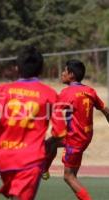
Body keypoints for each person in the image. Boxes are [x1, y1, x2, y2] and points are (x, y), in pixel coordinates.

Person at [0, 46, 66, 200]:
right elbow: (60, 133)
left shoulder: (2, 90)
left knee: (14, 196)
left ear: (17, 68)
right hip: (31, 158)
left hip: (5, 157)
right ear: (41, 70)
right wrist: (47, 145)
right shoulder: (49, 94)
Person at [43, 59, 109, 200]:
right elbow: (105, 110)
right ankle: (44, 170)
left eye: (65, 71)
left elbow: (52, 112)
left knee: (69, 176)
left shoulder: (66, 93)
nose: (62, 73)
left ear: (71, 75)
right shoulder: (89, 91)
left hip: (75, 139)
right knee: (51, 143)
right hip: (84, 136)